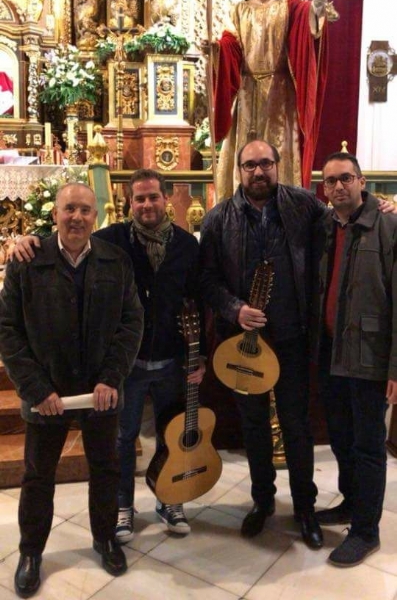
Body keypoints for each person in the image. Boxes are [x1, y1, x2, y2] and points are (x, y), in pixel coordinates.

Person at [13, 169, 205, 544]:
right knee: (120, 443)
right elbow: (64, 240)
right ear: (128, 203)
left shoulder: (185, 245)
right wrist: (26, 240)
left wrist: (199, 355)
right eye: (139, 198)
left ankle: (169, 499)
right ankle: (119, 508)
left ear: (166, 199)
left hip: (169, 358)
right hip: (125, 367)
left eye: (153, 197)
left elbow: (198, 299)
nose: (147, 204)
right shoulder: (112, 241)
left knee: (170, 434)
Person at [0, 183, 144, 598]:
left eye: (84, 209)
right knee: (38, 477)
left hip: (100, 391)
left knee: (105, 470)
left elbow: (131, 322)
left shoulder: (115, 261)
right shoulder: (28, 262)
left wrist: (112, 377)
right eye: (69, 209)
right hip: (47, 395)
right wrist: (34, 388)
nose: (77, 217)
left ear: (95, 216)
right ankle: (31, 553)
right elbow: (8, 331)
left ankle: (104, 538)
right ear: (56, 215)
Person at [199, 139, 327, 549]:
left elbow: (345, 220)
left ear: (278, 164)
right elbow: (206, 282)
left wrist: (381, 207)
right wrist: (235, 310)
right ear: (239, 171)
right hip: (243, 344)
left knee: (296, 425)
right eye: (250, 165)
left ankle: (305, 507)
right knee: (253, 425)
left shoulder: (305, 206)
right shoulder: (218, 219)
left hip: (290, 338)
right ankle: (262, 501)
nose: (259, 172)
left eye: (266, 163)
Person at [311, 152, 397, 567]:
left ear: (362, 181)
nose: (338, 186)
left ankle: (366, 531)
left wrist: (395, 368)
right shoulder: (325, 227)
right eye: (330, 181)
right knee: (342, 439)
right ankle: (351, 503)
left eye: (346, 178)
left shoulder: (388, 224)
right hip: (331, 353)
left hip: (369, 357)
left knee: (368, 447)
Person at [212, 0, 328, 200]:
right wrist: (216, 49)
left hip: (279, 92)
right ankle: (241, 207)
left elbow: (308, 28)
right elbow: (230, 44)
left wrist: (317, 10)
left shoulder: (289, 6)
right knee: (244, 147)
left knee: (280, 148)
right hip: (247, 91)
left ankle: (284, 206)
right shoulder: (239, 10)